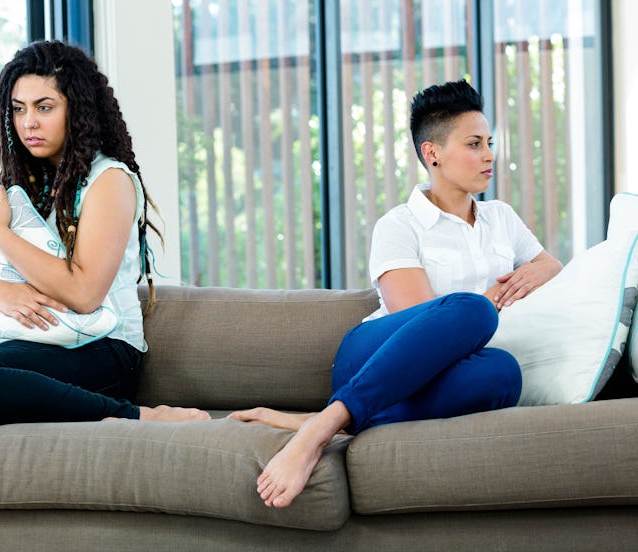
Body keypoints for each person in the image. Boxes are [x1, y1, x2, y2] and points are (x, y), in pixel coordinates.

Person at [228, 79, 563, 508]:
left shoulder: (502, 218)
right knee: (475, 312)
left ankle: (322, 421)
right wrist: (488, 303)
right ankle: (318, 431)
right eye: (475, 144)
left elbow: (550, 265)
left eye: (489, 143)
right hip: (371, 357)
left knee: (503, 374)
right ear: (433, 153)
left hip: (429, 378)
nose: (489, 155)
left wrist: (536, 273)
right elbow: (421, 320)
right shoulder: (398, 226)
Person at [0, 40, 209, 432]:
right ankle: (6, 399)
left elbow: (84, 294)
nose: (28, 121)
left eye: (44, 107)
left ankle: (135, 414)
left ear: (76, 111)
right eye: (18, 109)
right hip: (24, 345)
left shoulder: (108, 180)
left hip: (100, 348)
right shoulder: (10, 183)